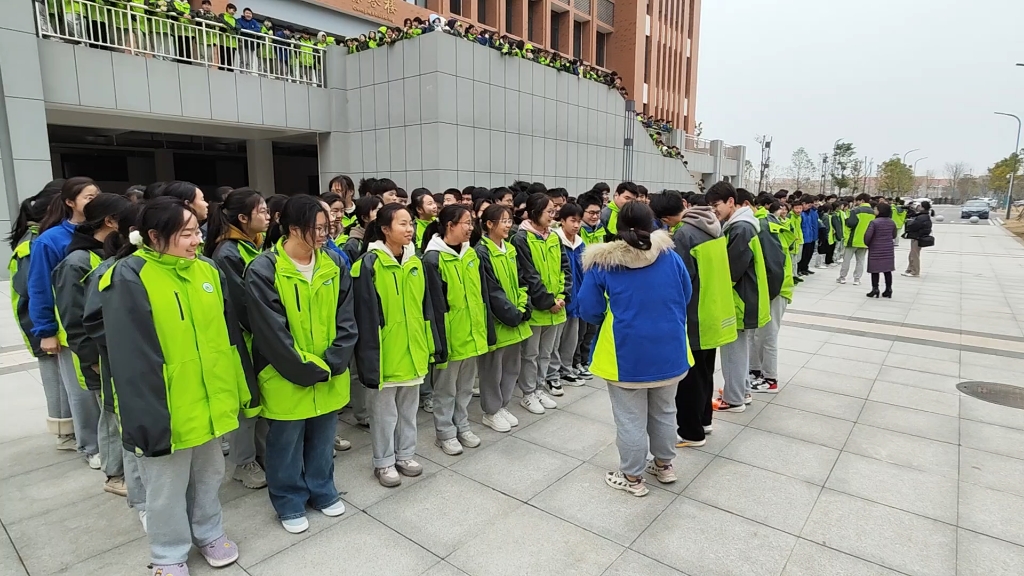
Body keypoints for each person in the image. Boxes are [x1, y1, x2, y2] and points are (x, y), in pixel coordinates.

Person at [92, 196, 256, 575]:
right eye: (186, 234)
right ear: (154, 236)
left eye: (197, 231)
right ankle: (168, 554)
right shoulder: (129, 276)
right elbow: (129, 356)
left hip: (211, 398)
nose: (197, 240)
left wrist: (239, 387)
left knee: (210, 473)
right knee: (165, 487)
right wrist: (145, 414)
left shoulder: (208, 271)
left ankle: (209, 532)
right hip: (166, 404)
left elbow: (229, 337)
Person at [245, 195, 356, 533]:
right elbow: (270, 332)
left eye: (328, 227)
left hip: (329, 372)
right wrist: (304, 368)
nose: (325, 233)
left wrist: (334, 360)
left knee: (323, 439)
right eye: (318, 228)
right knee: (285, 444)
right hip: (284, 374)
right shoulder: (264, 269)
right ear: (293, 228)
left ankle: (323, 490)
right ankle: (289, 501)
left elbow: (346, 319)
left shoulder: (333, 264)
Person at [577, 202, 692, 497]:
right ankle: (664, 466)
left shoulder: (602, 264)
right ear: (652, 223)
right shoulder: (669, 255)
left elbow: (588, 308)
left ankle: (632, 477)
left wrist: (612, 317)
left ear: (616, 227)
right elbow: (686, 293)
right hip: (670, 349)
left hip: (625, 354)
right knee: (666, 410)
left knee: (630, 418)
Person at [351, 203, 442, 487]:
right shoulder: (368, 264)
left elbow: (427, 308)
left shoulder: (416, 262)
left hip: (413, 347)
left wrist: (429, 343)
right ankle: (384, 461)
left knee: (408, 409)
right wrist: (368, 357)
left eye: (411, 224)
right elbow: (363, 316)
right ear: (384, 229)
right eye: (402, 224)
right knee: (383, 413)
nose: (409, 229)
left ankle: (405, 454)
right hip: (384, 352)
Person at [53, 193, 132, 496]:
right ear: (111, 222)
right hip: (96, 355)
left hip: (115, 352)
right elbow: (74, 320)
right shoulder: (77, 262)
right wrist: (92, 359)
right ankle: (115, 474)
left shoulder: (105, 254)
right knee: (110, 414)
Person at [27, 177, 100, 466]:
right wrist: (46, 330)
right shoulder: (51, 240)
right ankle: (91, 446)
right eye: (88, 197)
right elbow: (39, 287)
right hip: (69, 328)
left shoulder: (102, 232)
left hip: (100, 324)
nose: (93, 201)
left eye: (97, 196)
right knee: (81, 391)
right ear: (70, 202)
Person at [204, 188, 271, 490]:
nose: (268, 216)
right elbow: (243, 304)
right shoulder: (228, 253)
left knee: (262, 400)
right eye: (262, 211)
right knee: (247, 402)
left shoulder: (254, 246)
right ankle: (244, 463)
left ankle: (261, 455)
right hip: (243, 338)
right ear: (243, 218)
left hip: (261, 335)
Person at [7, 180, 74, 451]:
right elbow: (29, 287)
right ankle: (64, 432)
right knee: (56, 379)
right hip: (38, 321)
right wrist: (45, 329)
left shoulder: (40, 238)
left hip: (48, 319)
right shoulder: (33, 244)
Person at [422, 205, 489, 455]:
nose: (471, 228)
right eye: (466, 223)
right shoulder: (433, 259)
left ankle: (462, 425)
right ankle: (445, 432)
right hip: (450, 337)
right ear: (450, 225)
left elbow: (482, 296)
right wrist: (439, 342)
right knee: (445, 389)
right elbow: (433, 306)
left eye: (472, 223)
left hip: (472, 333)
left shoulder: (471, 255)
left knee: (465, 387)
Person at [672, 193, 736, 446]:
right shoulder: (715, 228)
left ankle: (691, 432)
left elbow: (682, 279)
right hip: (714, 310)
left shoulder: (685, 234)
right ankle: (705, 421)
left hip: (695, 313)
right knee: (706, 372)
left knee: (689, 377)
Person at [705, 182, 770, 413]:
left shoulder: (741, 228)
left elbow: (731, 270)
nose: (714, 210)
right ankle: (741, 391)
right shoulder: (744, 224)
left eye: (716, 205)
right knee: (739, 348)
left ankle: (733, 400)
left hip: (739, 299)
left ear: (731, 202)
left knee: (732, 350)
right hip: (746, 296)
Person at [512, 193, 570, 414]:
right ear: (536, 212)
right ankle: (527, 393)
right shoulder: (521, 239)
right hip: (538, 308)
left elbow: (565, 269)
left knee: (546, 353)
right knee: (531, 354)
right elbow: (528, 275)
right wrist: (547, 302)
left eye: (554, 211)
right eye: (549, 211)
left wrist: (563, 296)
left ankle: (538, 388)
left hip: (558, 307)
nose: (553, 215)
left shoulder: (554, 237)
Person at [475, 205, 531, 432]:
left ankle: (502, 405)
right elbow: (492, 291)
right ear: (489, 224)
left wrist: (522, 305)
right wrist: (512, 313)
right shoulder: (482, 252)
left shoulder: (509, 249)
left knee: (511, 367)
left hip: (515, 319)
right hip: (500, 321)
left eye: (509, 220)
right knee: (492, 370)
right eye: (504, 221)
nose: (508, 225)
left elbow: (520, 281)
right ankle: (490, 411)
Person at [750, 197, 794, 395]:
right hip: (773, 289)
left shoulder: (762, 226)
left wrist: (769, 294)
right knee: (760, 334)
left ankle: (770, 379)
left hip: (776, 290)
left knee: (768, 335)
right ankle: (757, 372)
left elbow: (774, 265)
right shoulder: (766, 222)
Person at [547, 202, 586, 389]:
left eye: (579, 221)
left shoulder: (580, 243)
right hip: (562, 297)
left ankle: (566, 369)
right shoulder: (556, 240)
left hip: (577, 297)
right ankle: (552, 374)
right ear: (562, 221)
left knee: (571, 337)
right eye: (572, 220)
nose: (576, 225)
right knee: (555, 341)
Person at [837, 193, 875, 285]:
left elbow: (850, 224)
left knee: (847, 259)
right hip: (866, 240)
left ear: (861, 201)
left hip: (853, 239)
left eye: (857, 201)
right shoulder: (874, 212)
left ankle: (842, 277)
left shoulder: (855, 211)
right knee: (860, 261)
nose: (855, 203)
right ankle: (857, 279)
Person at [864, 203, 897, 298]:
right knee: (887, 270)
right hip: (888, 249)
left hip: (875, 249)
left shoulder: (874, 222)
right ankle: (888, 289)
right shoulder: (891, 222)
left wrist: (868, 243)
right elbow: (894, 235)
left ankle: (875, 289)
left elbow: (868, 236)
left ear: (880, 211)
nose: (874, 211)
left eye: (875, 209)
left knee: (875, 270)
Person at [903, 201, 933, 278]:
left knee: (914, 255)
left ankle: (915, 271)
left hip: (917, 237)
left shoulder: (921, 217)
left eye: (919, 206)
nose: (918, 207)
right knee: (912, 254)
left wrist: (910, 225)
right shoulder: (923, 216)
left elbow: (914, 226)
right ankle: (910, 269)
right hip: (916, 236)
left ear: (923, 207)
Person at [797, 197, 818, 275]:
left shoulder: (810, 212)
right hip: (803, 237)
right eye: (808, 205)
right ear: (803, 204)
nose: (809, 207)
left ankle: (805, 268)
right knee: (802, 255)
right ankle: (799, 269)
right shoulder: (801, 213)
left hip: (811, 236)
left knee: (809, 254)